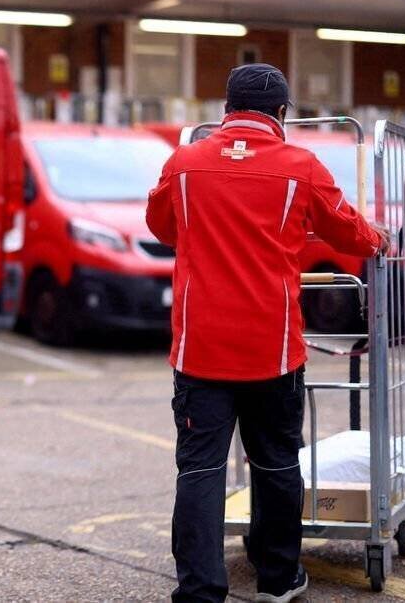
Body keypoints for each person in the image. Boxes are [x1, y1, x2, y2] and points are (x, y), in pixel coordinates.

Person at [145, 64, 387, 603]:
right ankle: (278, 578)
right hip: (271, 348)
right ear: (282, 113)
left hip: (200, 346)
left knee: (200, 470)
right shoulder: (300, 166)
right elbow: (346, 229)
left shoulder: (185, 164)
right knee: (277, 464)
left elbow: (161, 226)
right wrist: (381, 241)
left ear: (227, 110)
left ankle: (201, 590)